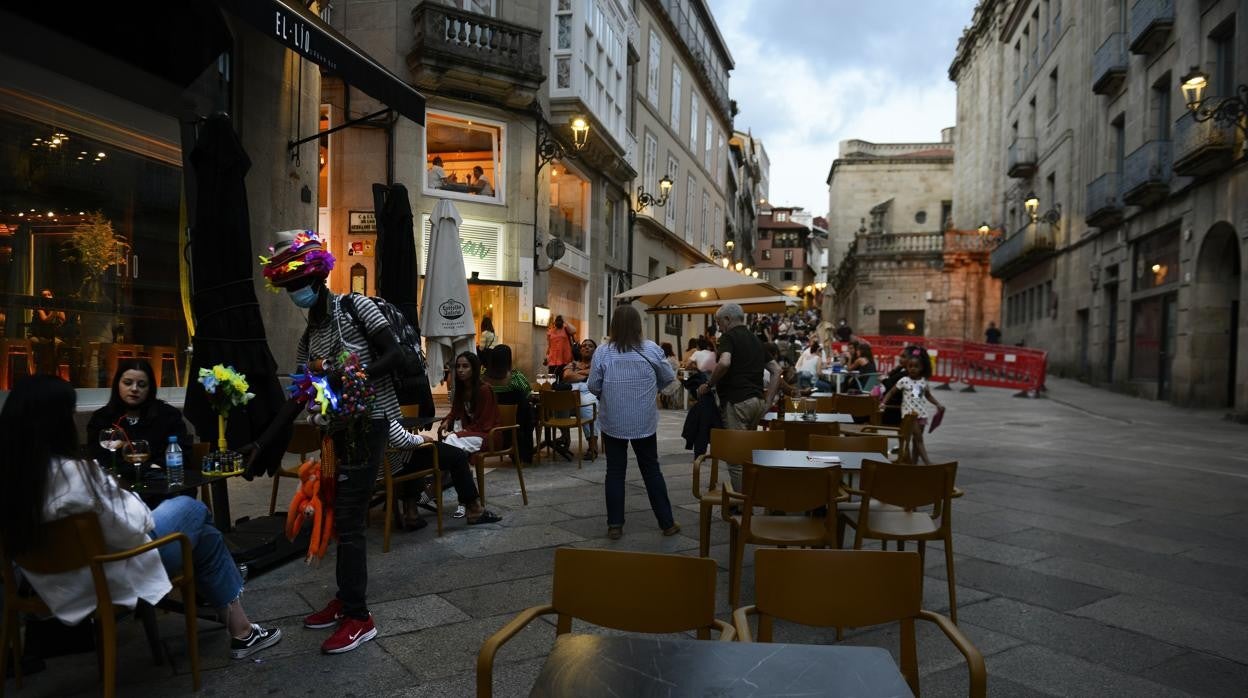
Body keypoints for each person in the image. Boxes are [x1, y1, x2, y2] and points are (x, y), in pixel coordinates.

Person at [1, 375, 282, 659]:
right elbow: (137, 523)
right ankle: (240, 624)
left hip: (52, 583)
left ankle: (241, 629)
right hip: (107, 575)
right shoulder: (73, 474)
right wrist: (121, 494)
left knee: (204, 537)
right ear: (57, 423)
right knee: (192, 510)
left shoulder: (13, 477)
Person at [252, 229, 402, 654]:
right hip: (334, 434)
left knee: (352, 520)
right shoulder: (307, 340)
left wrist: (347, 376)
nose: (296, 293)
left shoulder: (359, 307)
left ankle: (360, 616)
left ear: (318, 278)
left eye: (300, 284)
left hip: (369, 424)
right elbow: (298, 396)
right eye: (289, 288)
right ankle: (344, 599)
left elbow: (397, 356)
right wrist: (263, 445)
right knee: (336, 516)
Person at [587, 304, 679, 540]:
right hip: (643, 421)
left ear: (613, 326)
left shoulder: (603, 352)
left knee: (615, 471)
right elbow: (669, 378)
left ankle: (615, 525)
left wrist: (609, 394)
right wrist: (651, 389)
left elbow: (593, 385)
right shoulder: (652, 349)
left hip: (613, 421)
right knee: (651, 470)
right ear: (639, 325)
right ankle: (667, 522)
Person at [697, 303, 783, 490]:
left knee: (735, 457)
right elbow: (777, 370)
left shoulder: (728, 337)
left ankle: (743, 503)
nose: (718, 327)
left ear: (728, 319)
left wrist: (709, 384)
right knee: (747, 452)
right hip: (757, 403)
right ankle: (750, 494)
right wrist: (768, 401)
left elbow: (725, 362)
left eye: (719, 323)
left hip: (737, 402)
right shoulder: (755, 340)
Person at [385, 420, 500, 528]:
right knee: (458, 456)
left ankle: (411, 513)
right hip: (397, 461)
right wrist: (420, 438)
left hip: (385, 463)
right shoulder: (380, 405)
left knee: (416, 457)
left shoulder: (368, 405)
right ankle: (474, 509)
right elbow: (401, 440)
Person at [86, 359, 190, 467]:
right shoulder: (102, 417)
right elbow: (97, 459)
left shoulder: (168, 415)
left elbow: (182, 455)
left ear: (150, 388)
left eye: (142, 384)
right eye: (127, 383)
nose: (134, 389)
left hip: (157, 479)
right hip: (115, 481)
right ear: (117, 384)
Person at [880, 355, 946, 465]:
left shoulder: (923, 382)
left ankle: (914, 464)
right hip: (909, 415)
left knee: (916, 441)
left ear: (921, 368)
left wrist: (938, 404)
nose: (913, 369)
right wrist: (883, 403)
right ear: (907, 368)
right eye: (910, 366)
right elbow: (891, 392)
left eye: (916, 366)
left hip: (922, 414)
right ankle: (928, 463)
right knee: (919, 438)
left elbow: (928, 396)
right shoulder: (904, 380)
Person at [481, 344, 535, 465]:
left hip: (491, 422)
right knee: (530, 412)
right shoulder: (515, 378)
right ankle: (524, 453)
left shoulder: (482, 378)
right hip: (516, 423)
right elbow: (527, 393)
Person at [440, 351, 498, 456]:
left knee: (451, 440)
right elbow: (454, 411)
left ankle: (446, 469)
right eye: (458, 366)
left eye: (465, 366)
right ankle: (455, 469)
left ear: (474, 369)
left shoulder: (485, 390)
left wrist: (464, 431)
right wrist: (448, 420)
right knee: (451, 443)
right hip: (470, 432)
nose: (460, 370)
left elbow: (485, 422)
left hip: (486, 435)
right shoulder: (461, 390)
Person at [562, 338, 601, 461]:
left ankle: (592, 446)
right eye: (584, 346)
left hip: (589, 393)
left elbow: (595, 374)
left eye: (590, 346)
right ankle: (564, 439)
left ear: (595, 350)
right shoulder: (572, 364)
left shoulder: (598, 365)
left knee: (587, 405)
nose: (586, 347)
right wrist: (587, 373)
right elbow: (567, 376)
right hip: (571, 395)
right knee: (558, 404)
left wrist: (577, 374)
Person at [30, 288, 67, 374]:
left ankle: (54, 368)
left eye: (49, 294)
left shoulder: (54, 306)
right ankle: (44, 370)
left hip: (52, 337)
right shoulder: (39, 308)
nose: (47, 296)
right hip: (38, 336)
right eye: (44, 295)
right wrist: (54, 311)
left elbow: (63, 319)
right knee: (47, 345)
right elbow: (46, 320)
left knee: (61, 345)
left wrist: (57, 307)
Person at [658, 342, 684, 408]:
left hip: (666, 384)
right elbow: (678, 366)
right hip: (675, 383)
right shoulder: (674, 359)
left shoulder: (664, 360)